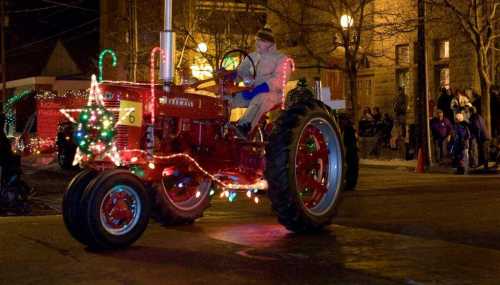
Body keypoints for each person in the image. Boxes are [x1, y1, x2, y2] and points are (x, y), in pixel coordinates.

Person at [231, 25, 292, 138]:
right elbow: (241, 73)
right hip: (250, 91)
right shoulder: (252, 57)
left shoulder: (281, 59)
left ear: (270, 43)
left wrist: (260, 88)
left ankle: (244, 127)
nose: (258, 43)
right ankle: (219, 127)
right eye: (257, 40)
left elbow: (279, 81)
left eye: (262, 40)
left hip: (272, 94)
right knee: (228, 98)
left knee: (259, 99)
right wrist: (231, 75)